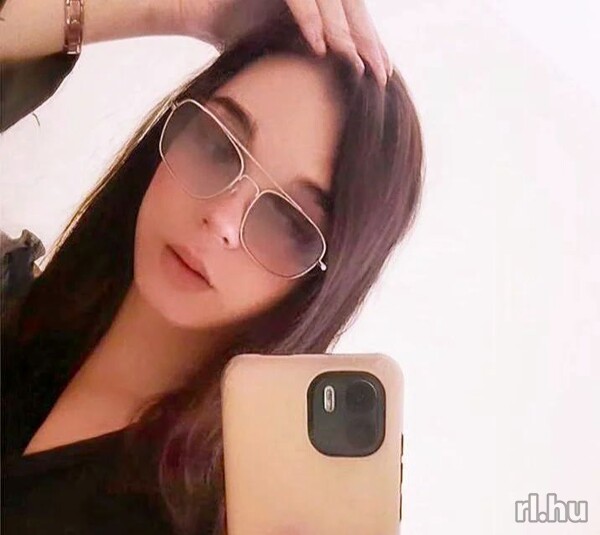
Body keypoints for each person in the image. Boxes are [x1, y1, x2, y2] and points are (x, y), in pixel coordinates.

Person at [1, 1, 424, 533]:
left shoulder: (208, 518)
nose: (222, 219)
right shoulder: (12, 297)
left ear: (323, 283)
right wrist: (178, 9)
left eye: (289, 220)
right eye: (219, 145)